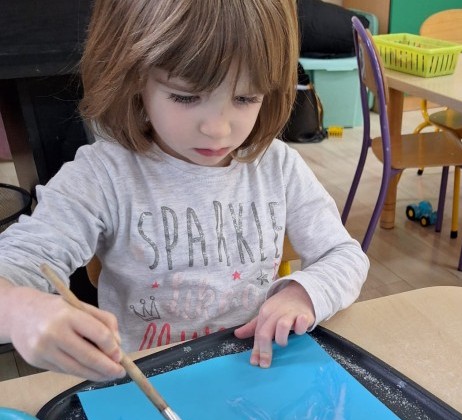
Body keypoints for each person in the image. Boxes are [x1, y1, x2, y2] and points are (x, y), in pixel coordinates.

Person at [0, 0, 369, 382]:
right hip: (148, 383)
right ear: (134, 77)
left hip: (252, 375)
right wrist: (18, 309)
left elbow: (344, 256)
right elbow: (15, 263)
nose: (217, 129)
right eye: (185, 96)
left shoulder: (279, 167)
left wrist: (304, 293)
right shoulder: (103, 176)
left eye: (246, 98)